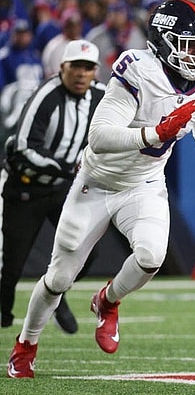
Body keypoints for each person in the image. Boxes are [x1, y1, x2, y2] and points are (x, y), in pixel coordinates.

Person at [7, 0, 195, 379]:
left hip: (144, 182)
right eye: (187, 44)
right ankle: (26, 343)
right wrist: (156, 132)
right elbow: (100, 136)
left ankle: (107, 301)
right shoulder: (139, 69)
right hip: (97, 182)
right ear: (162, 41)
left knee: (152, 256)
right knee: (58, 278)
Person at [1, 40, 103, 335]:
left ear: (95, 71)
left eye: (88, 68)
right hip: (26, 188)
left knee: (87, 253)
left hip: (63, 190)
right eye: (76, 67)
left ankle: (55, 292)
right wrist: (67, 166)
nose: (82, 74)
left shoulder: (101, 96)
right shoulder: (46, 95)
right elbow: (22, 147)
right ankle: (5, 316)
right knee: (11, 270)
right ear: (62, 68)